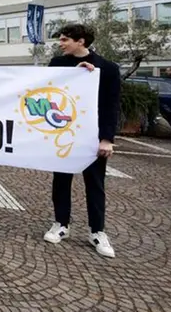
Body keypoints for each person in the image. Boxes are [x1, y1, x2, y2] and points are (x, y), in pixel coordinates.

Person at [43, 23, 120, 258]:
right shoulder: (57, 64)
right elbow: (44, 89)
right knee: (61, 180)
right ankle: (61, 224)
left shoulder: (107, 68)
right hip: (64, 133)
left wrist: (107, 138)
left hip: (92, 137)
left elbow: (111, 105)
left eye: (65, 39)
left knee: (95, 185)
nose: (61, 43)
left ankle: (97, 231)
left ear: (81, 41)